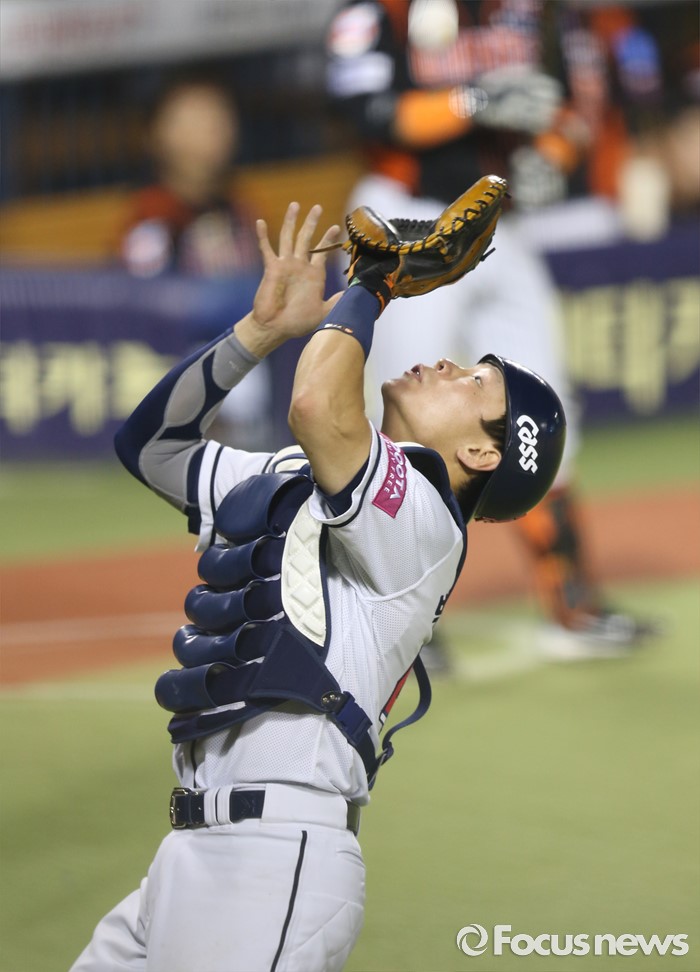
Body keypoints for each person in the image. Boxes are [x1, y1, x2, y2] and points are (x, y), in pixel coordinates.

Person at [71, 193, 565, 972]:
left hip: (275, 862)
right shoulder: (300, 471)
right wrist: (257, 333)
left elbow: (314, 405)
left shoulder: (426, 521)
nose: (446, 365)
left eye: (474, 384)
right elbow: (151, 447)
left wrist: (375, 283)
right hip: (191, 856)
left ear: (481, 455)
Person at [325, 0, 656, 659]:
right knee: (407, 421)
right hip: (409, 218)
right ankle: (391, 618)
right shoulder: (378, 10)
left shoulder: (536, 10)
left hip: (497, 219)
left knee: (540, 402)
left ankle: (570, 602)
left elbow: (570, 106)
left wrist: (552, 155)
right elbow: (369, 112)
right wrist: (472, 101)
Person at [120, 72, 269, 449]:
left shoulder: (241, 211)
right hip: (174, 375)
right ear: (158, 134)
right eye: (194, 120)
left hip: (249, 370)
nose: (212, 131)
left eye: (219, 118)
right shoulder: (153, 216)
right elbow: (145, 305)